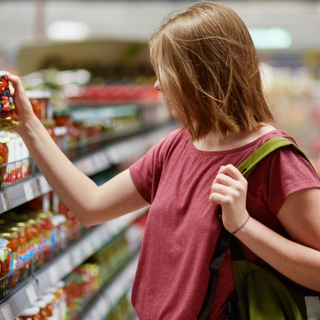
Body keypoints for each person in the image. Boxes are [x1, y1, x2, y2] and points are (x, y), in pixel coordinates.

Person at [6, 1, 320, 319]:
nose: (157, 84)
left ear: (202, 75)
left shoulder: (275, 160)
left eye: (166, 72)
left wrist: (244, 226)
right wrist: (29, 125)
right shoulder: (177, 145)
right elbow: (92, 206)